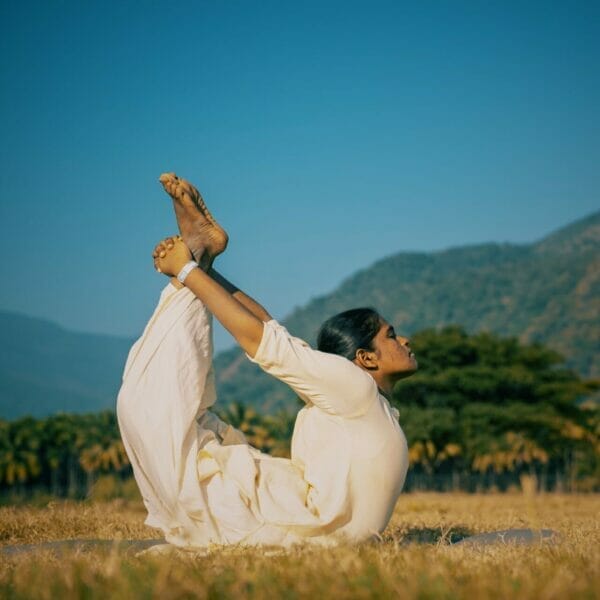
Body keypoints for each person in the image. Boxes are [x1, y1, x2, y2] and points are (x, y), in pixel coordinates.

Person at [116, 173, 418, 550]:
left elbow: (268, 332)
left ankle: (200, 252)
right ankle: (199, 252)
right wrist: (191, 272)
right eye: (391, 334)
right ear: (365, 358)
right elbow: (262, 336)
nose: (404, 340)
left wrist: (193, 271)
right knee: (154, 413)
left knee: (150, 410)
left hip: (294, 525)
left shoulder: (361, 398)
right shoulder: (353, 387)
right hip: (291, 521)